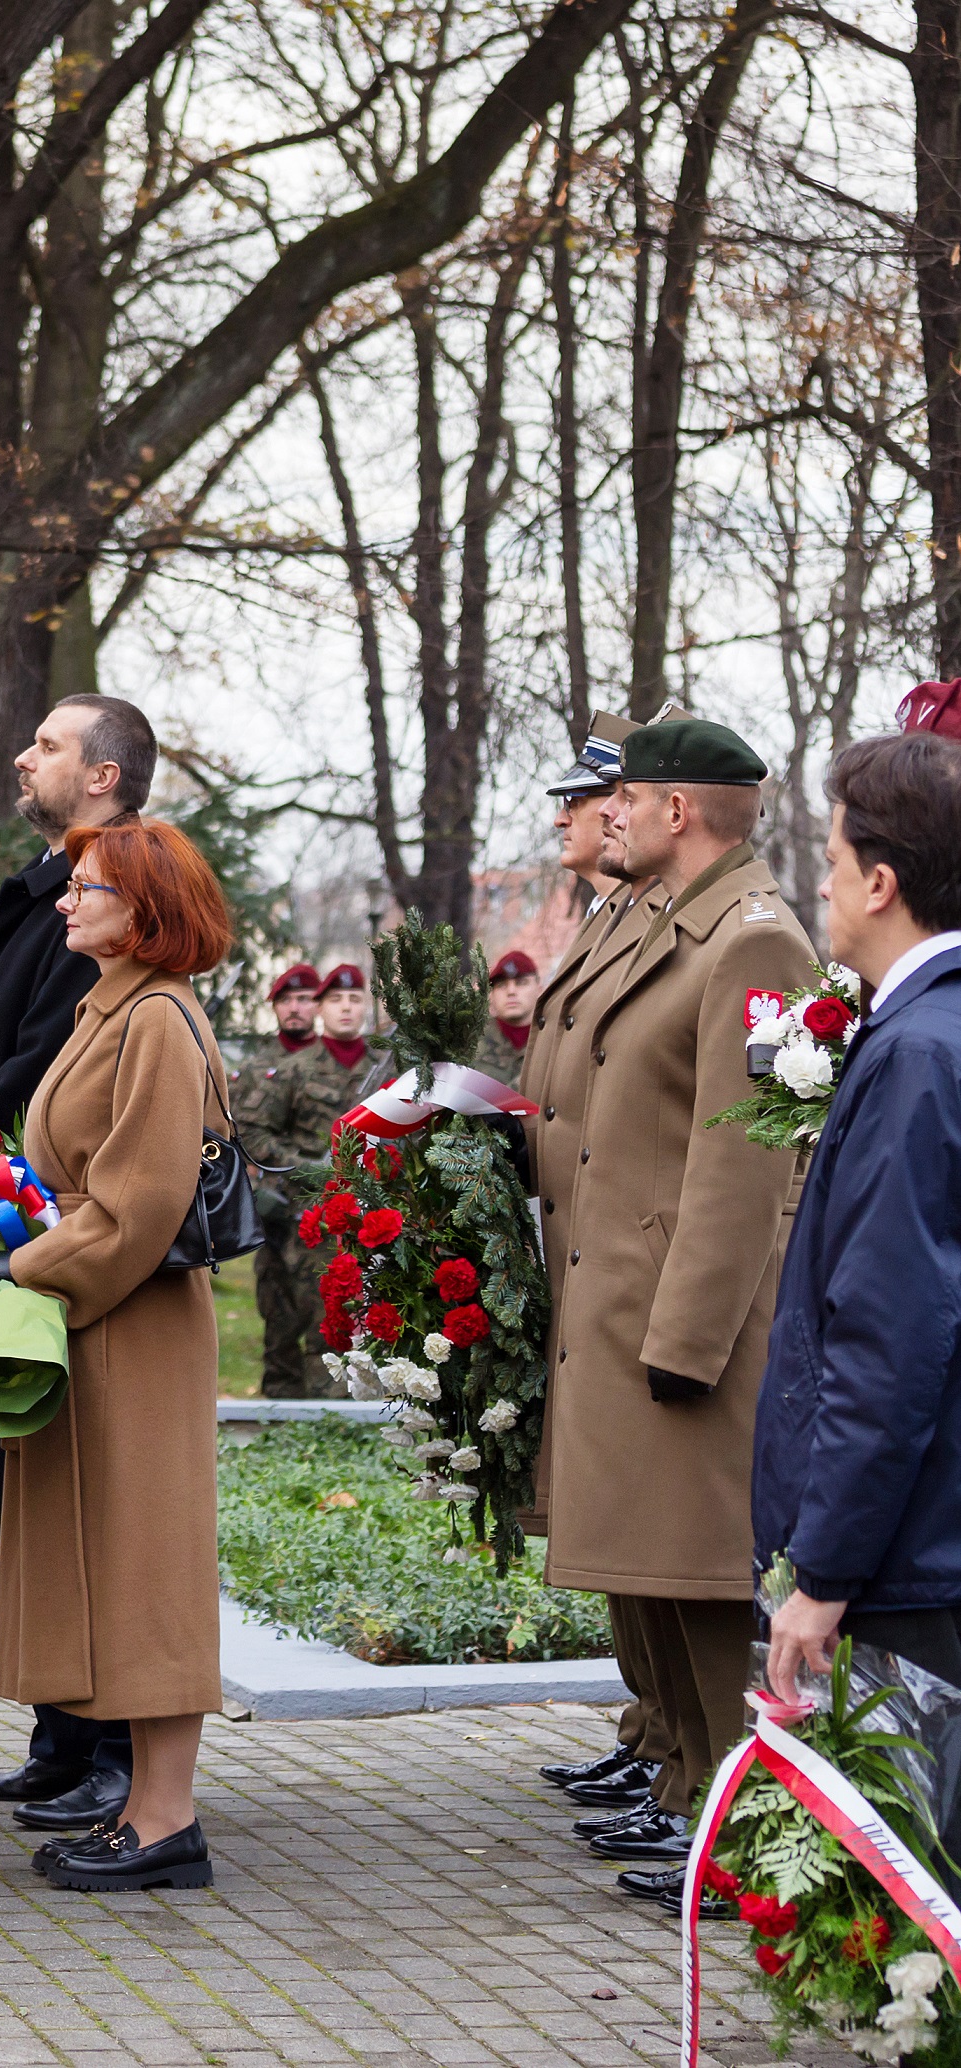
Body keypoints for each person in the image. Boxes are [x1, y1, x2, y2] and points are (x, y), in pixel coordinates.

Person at [547, 717, 812, 1899]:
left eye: (632, 795)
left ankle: (731, 1822)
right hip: (624, 1298)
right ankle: (697, 1802)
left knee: (700, 1578)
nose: (612, 813)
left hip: (681, 1316)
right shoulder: (684, 923)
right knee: (654, 1561)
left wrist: (690, 1338)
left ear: (678, 810)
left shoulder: (754, 945)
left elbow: (744, 1160)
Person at [0, 816, 235, 1893]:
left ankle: (166, 1817)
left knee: (148, 1570)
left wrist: (24, 1265)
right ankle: (142, 1807)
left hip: (131, 1324)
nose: (64, 900)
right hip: (100, 1320)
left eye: (87, 888)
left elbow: (138, 1204)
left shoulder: (156, 1023)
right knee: (120, 1561)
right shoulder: (115, 1009)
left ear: (147, 907)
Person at [0, 693, 147, 1837]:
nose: (23, 755)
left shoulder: (115, 899)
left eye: (50, 745)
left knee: (78, 1500)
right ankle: (61, 1735)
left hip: (48, 1228)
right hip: (0, 1217)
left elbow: (43, 1060)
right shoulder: (49, 893)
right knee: (29, 1499)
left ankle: (107, 1744)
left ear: (102, 777)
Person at [758, 726, 961, 1713]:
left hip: (908, 1565)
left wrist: (823, 1573)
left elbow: (886, 1335)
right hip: (924, 1545)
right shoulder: (927, 1029)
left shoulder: (917, 1054)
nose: (823, 886)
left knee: (906, 1858)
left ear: (879, 883)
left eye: (833, 862)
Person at [517, 711, 677, 1811]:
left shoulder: (665, 920)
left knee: (648, 1526)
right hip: (581, 1250)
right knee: (612, 1521)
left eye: (588, 797)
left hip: (632, 1263)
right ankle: (652, 1727)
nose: (575, 815)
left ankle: (677, 1748)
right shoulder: (602, 918)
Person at [244, 963, 380, 1397]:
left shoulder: (386, 1069)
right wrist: (302, 1167)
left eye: (354, 999)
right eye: (336, 1000)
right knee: (316, 1316)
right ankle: (317, 1415)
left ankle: (357, 1411)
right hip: (312, 1218)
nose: (345, 1009)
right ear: (321, 1008)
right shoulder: (295, 1070)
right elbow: (253, 1132)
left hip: (375, 1216)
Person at [230, 964, 324, 1402]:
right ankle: (281, 1406)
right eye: (287, 1000)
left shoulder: (332, 1061)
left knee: (327, 1308)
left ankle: (333, 1406)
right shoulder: (254, 1069)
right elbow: (240, 1134)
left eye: (305, 998)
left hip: (323, 1208)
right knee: (277, 1307)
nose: (296, 1008)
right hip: (272, 1208)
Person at [474, 950, 539, 1084]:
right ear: (491, 995)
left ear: (540, 988)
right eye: (502, 985)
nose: (511, 992)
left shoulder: (556, 1039)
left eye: (521, 983)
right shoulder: (471, 1040)